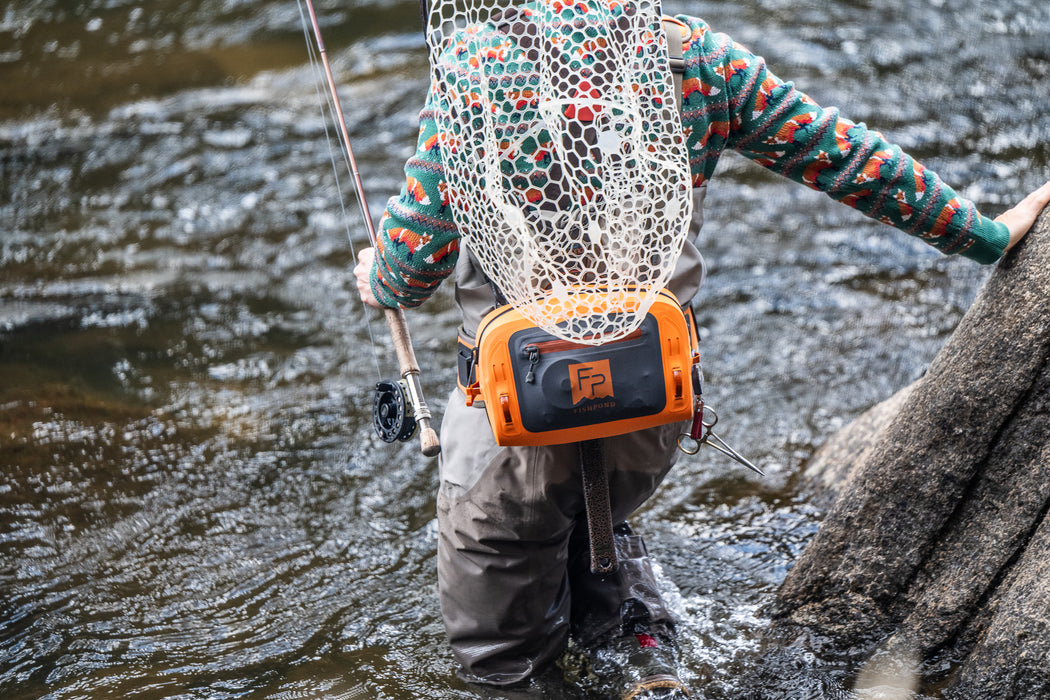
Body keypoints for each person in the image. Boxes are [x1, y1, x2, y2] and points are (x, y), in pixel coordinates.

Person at [353, 2, 1050, 697]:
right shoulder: (693, 58)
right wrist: (983, 234)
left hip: (510, 427)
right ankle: (648, 662)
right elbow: (846, 157)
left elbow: (409, 271)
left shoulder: (475, 68)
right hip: (649, 403)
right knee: (602, 512)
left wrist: (375, 275)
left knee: (501, 659)